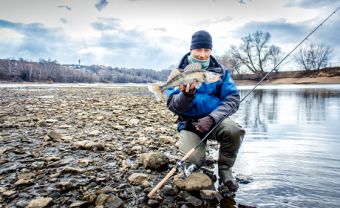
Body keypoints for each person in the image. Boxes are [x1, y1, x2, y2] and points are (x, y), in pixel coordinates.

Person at [165, 30, 245, 192]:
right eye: (199, 49)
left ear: (211, 50)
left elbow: (233, 99)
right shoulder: (179, 73)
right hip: (189, 124)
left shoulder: (221, 72)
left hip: (215, 121)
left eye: (207, 50)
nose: (202, 54)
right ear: (191, 49)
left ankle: (225, 171)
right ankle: (197, 162)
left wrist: (212, 117)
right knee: (193, 162)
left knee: (234, 130)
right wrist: (186, 96)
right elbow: (173, 105)